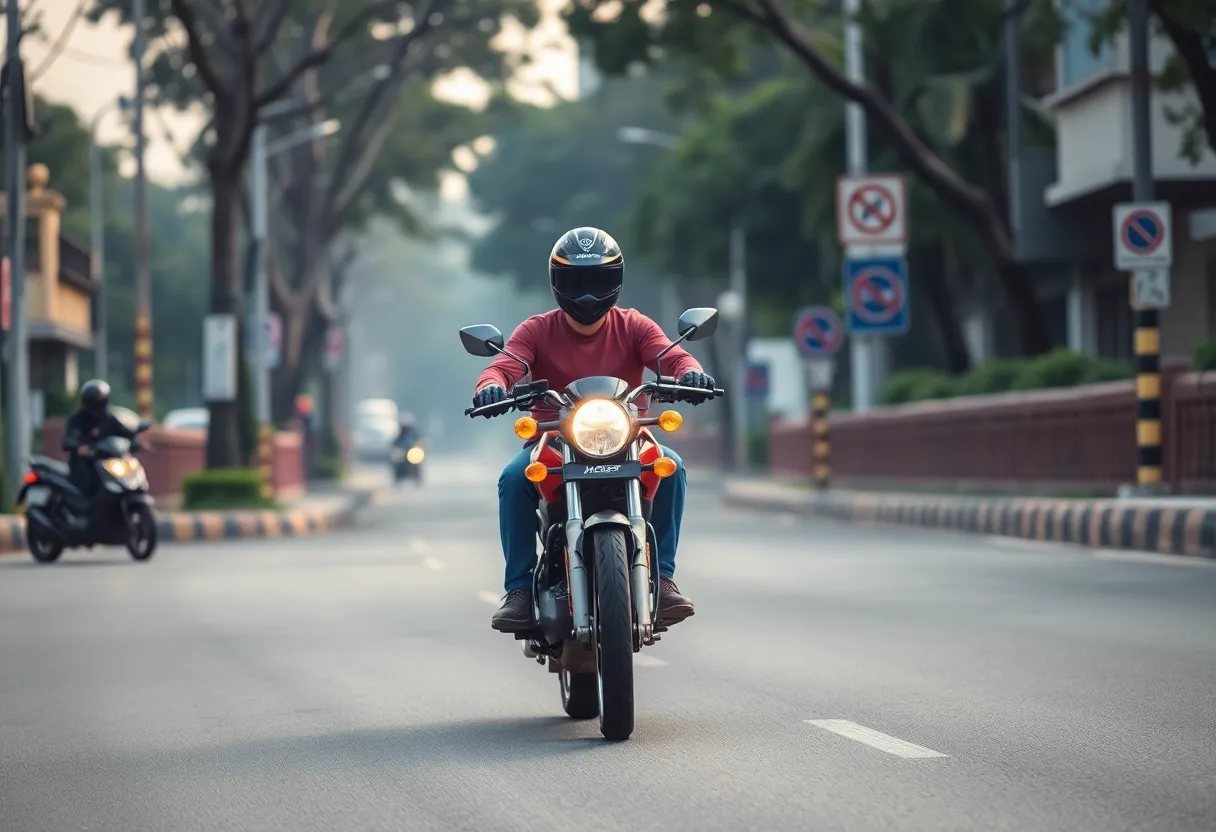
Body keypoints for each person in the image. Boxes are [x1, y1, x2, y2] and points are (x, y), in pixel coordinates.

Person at [471, 226, 716, 633]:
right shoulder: (536, 330)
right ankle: (517, 590)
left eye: (597, 279)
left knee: (671, 467)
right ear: (557, 283)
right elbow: (503, 365)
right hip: (552, 440)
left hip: (628, 437)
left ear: (615, 281)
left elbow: (674, 359)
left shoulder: (635, 325)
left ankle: (665, 579)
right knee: (514, 479)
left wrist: (692, 375)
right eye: (575, 280)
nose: (586, 292)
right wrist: (490, 386)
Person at [62, 380, 136, 517]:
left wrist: (135, 442)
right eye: (94, 402)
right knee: (85, 479)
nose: (97, 405)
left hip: (108, 461)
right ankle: (80, 512)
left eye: (100, 401)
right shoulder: (77, 419)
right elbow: (69, 439)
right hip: (84, 462)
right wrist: (78, 447)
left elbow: (126, 432)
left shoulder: (111, 419)